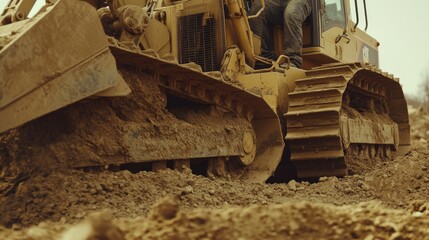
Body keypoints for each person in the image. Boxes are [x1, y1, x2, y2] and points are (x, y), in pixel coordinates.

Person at [249, 0, 312, 68]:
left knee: (291, 13)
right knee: (258, 7)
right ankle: (264, 57)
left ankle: (293, 59)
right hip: (277, 3)